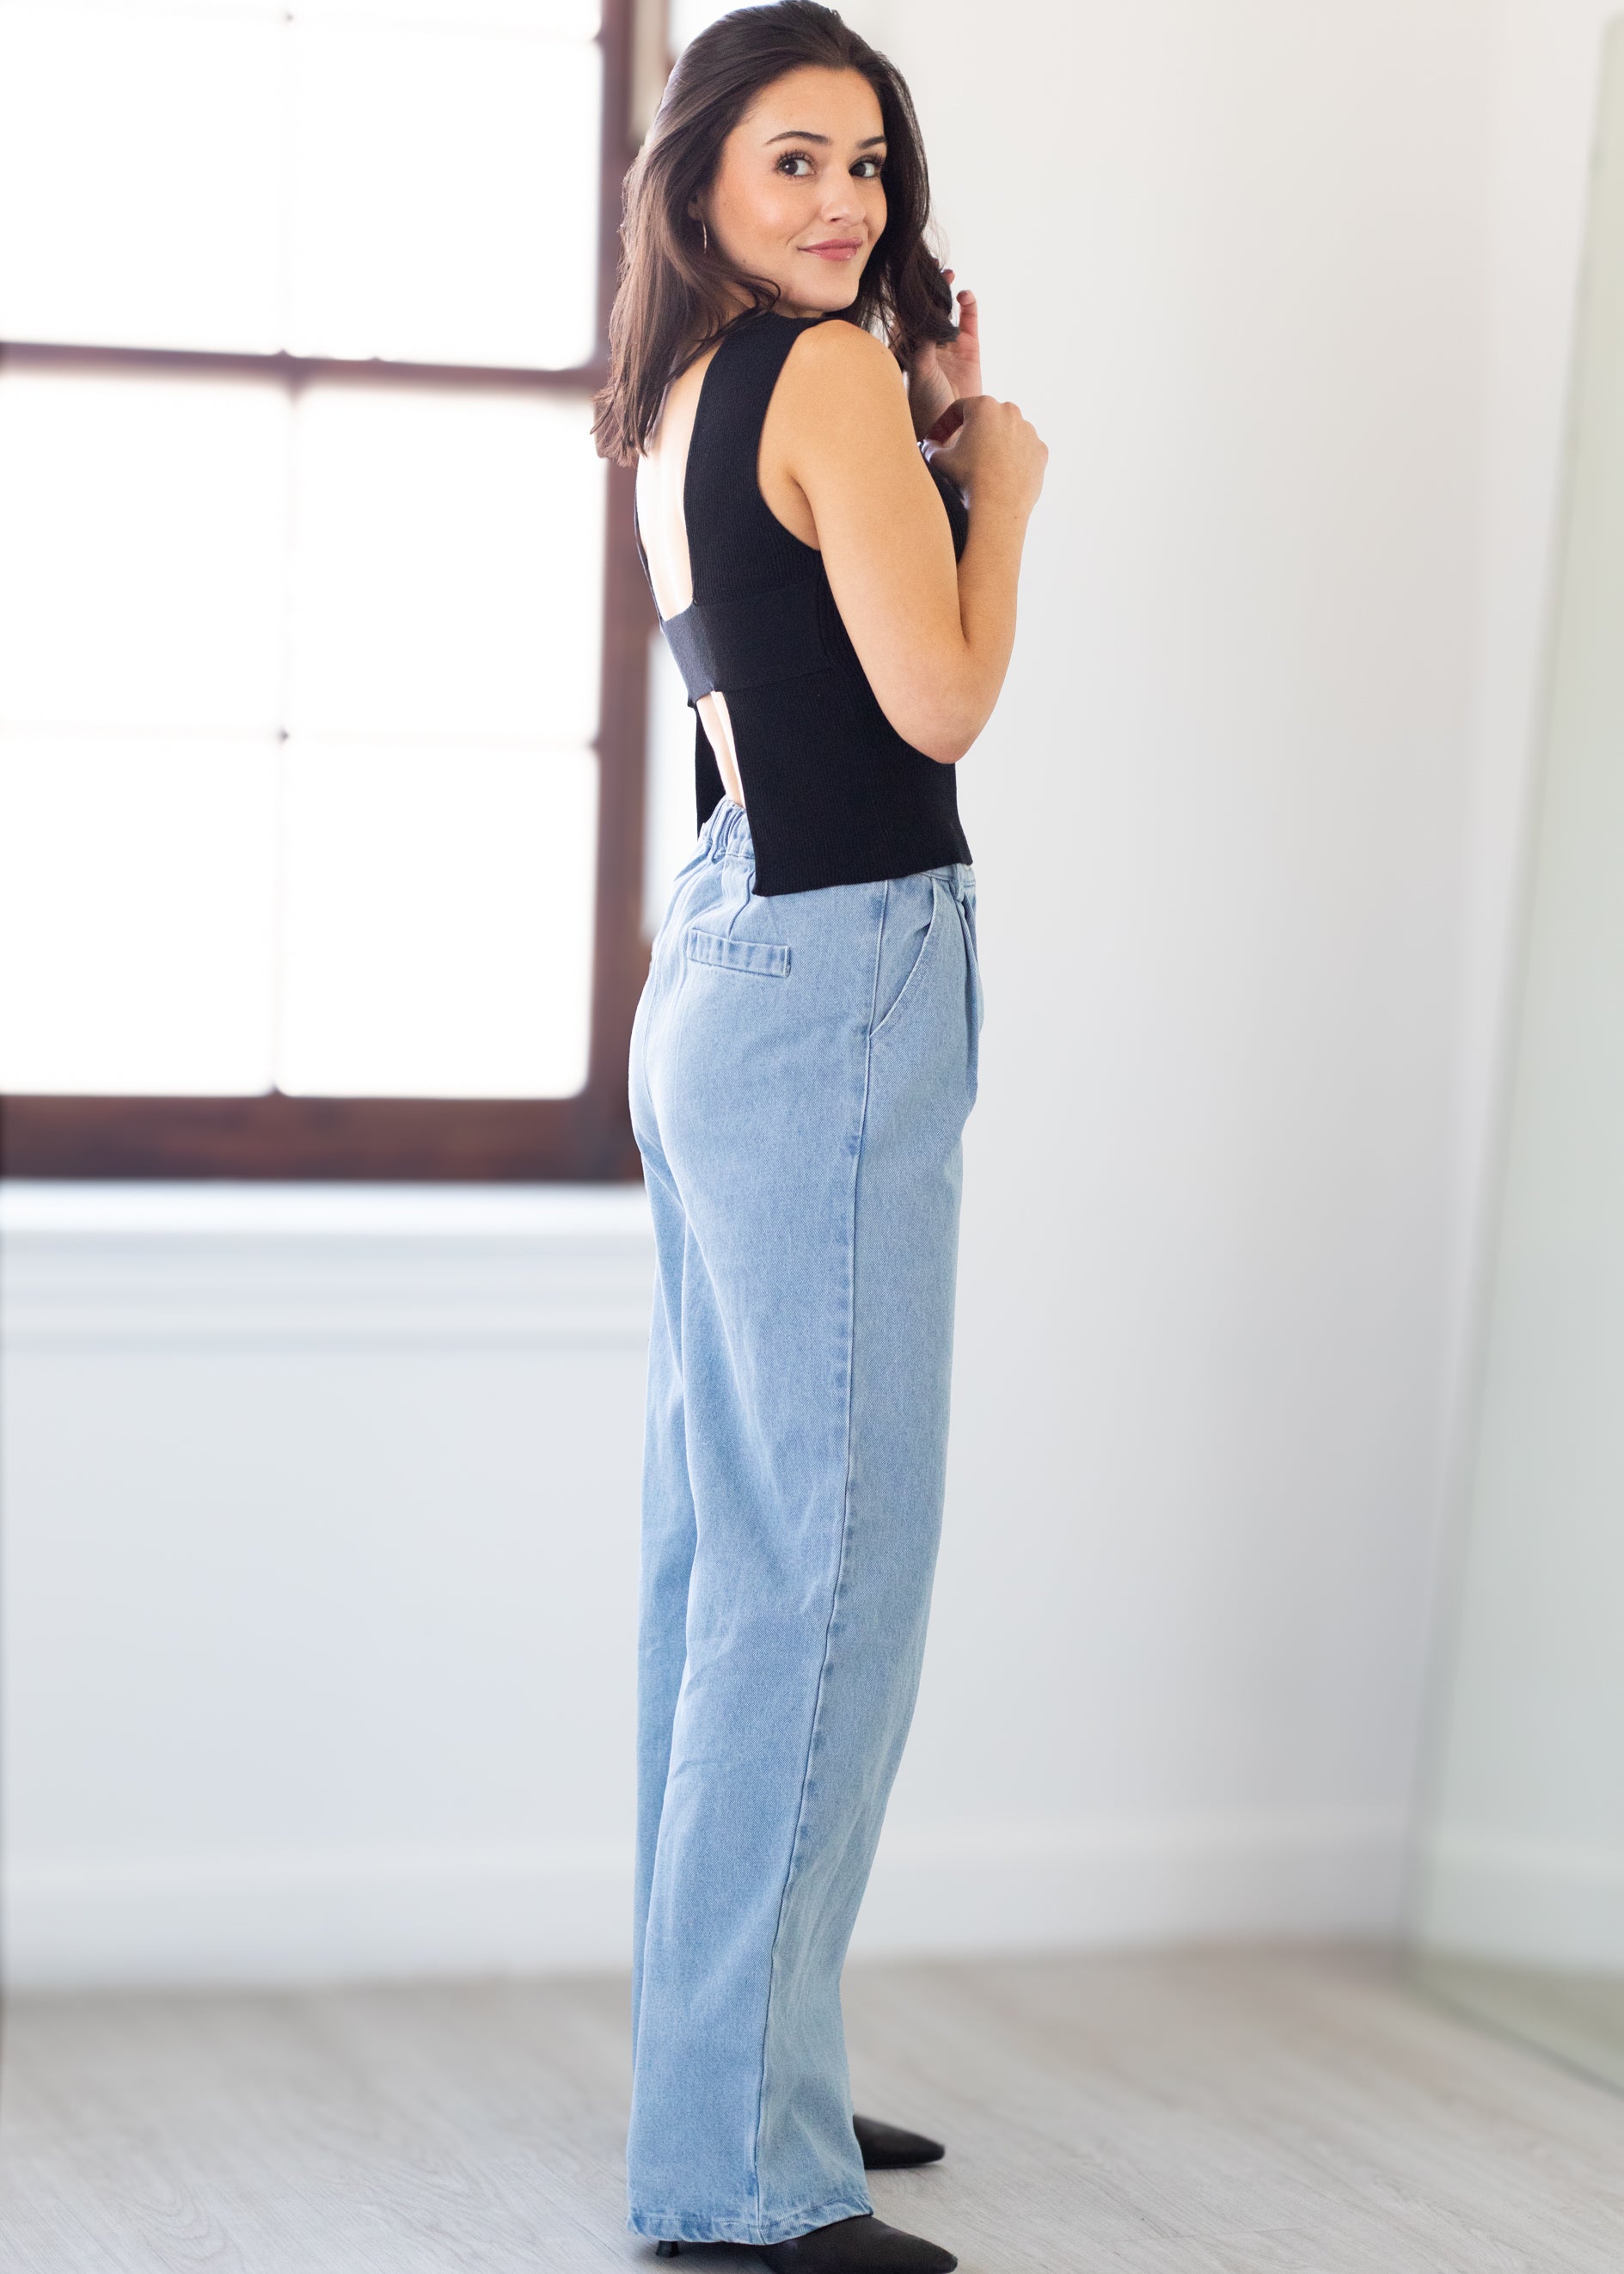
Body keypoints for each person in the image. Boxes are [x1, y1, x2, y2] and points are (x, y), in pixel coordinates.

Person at [594, 6, 1045, 2265]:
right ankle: (738, 2178)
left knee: (728, 1565)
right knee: (827, 1565)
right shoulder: (836, 376)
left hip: (727, 959)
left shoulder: (678, 401)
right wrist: (1014, 480)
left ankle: (746, 2083)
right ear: (698, 186)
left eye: (864, 160)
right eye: (789, 159)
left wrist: (929, 438)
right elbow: (939, 696)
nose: (841, 200)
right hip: (834, 972)